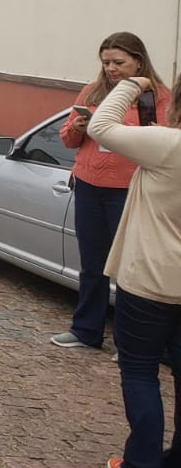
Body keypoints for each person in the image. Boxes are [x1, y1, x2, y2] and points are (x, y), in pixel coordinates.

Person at [85, 73, 181, 468]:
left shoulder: (168, 143)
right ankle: (177, 464)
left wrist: (131, 84)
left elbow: (100, 126)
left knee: (140, 369)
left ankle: (142, 467)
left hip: (150, 277)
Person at [52, 32, 172, 350]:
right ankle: (86, 330)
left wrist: (120, 132)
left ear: (139, 61)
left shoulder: (158, 96)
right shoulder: (94, 90)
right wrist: (77, 128)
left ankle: (131, 343)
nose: (111, 69)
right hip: (89, 185)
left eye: (119, 62)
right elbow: (66, 139)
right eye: (106, 63)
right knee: (93, 263)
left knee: (131, 268)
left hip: (129, 189)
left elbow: (164, 142)